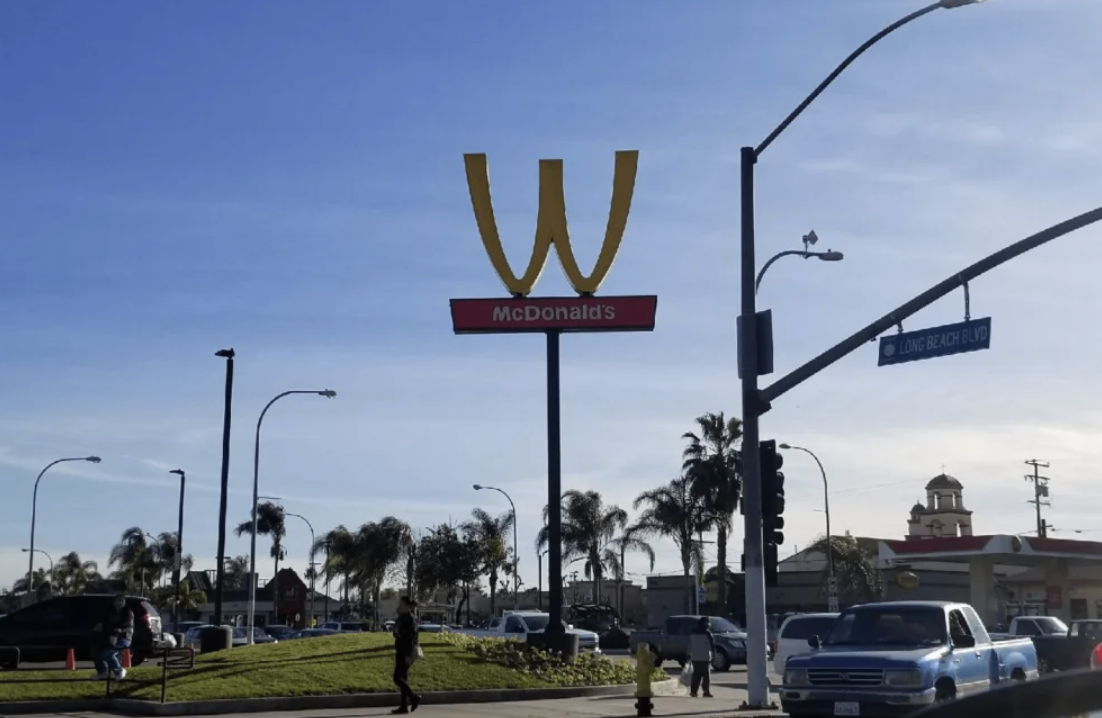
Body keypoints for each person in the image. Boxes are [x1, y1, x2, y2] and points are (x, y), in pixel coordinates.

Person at [91, 593, 134, 681]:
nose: (120, 602)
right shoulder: (110, 612)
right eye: (118, 600)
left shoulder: (128, 612)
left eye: (122, 600)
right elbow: (105, 622)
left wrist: (120, 629)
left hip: (124, 637)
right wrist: (100, 625)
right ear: (114, 602)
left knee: (107, 653)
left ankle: (120, 670)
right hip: (112, 637)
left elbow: (127, 624)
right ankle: (102, 672)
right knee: (96, 650)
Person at [391, 595, 422, 714]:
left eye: (402, 604)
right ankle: (403, 707)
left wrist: (409, 654)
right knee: (403, 678)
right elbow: (396, 632)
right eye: (399, 603)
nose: (399, 606)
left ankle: (414, 698)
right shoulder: (401, 618)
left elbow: (411, 638)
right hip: (400, 650)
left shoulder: (410, 619)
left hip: (406, 652)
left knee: (397, 678)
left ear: (408, 606)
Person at [688, 616, 715, 698]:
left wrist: (688, 654)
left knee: (696, 675)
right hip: (705, 658)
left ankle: (693, 691)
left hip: (695, 657)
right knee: (706, 676)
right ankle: (706, 691)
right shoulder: (708, 633)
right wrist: (714, 655)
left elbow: (690, 645)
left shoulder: (693, 632)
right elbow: (712, 646)